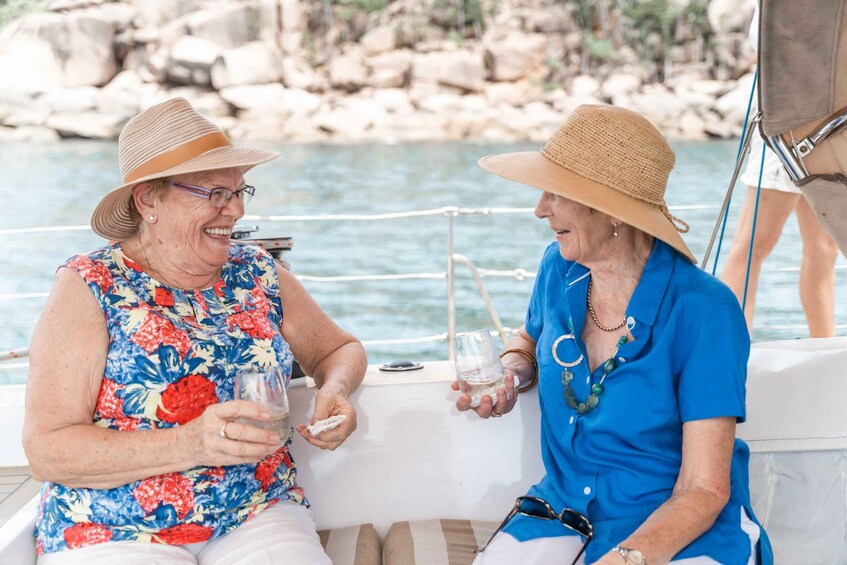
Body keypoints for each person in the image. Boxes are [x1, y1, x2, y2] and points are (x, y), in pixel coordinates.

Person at [23, 98, 367, 564]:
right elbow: (47, 451)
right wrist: (189, 443)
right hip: (112, 528)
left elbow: (338, 349)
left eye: (240, 192)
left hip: (255, 509)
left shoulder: (256, 272)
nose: (237, 211)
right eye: (215, 194)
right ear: (149, 200)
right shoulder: (89, 287)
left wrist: (337, 389)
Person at [454, 105, 772, 565]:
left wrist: (627, 558)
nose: (540, 209)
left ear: (610, 210)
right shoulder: (558, 268)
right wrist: (510, 373)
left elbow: (703, 489)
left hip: (678, 525)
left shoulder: (706, 311)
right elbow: (527, 339)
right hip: (562, 510)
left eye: (555, 194)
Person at [721, 6, 839, 337]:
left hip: (831, 127)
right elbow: (764, 39)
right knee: (754, 245)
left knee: (824, 249)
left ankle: (824, 351)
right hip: (785, 124)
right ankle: (733, 353)